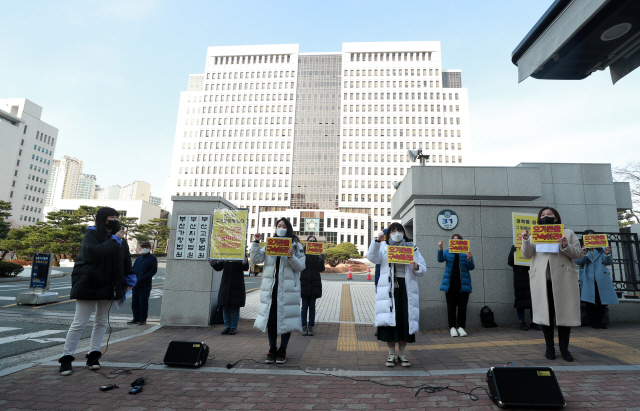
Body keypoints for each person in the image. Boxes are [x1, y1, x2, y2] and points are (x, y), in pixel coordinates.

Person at [59, 207, 136, 376]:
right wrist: (115, 239)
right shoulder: (92, 234)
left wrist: (129, 280)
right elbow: (93, 253)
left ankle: (93, 355)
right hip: (89, 283)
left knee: (101, 322)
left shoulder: (121, 240)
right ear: (103, 219)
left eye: (117, 217)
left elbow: (126, 261)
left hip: (110, 284)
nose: (115, 220)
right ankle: (66, 358)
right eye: (112, 217)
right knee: (79, 322)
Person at [521, 207, 582, 362]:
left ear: (556, 218)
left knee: (564, 315)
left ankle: (564, 348)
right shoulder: (535, 234)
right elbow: (527, 255)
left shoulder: (567, 233)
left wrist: (565, 245)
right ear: (539, 219)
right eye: (543, 215)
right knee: (546, 315)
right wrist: (526, 240)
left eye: (549, 214)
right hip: (542, 280)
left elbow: (579, 254)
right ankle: (549, 347)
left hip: (563, 280)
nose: (545, 216)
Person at [367, 222, 426, 368]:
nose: (396, 233)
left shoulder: (412, 247)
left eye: (399, 230)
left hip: (406, 289)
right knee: (389, 321)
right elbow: (372, 257)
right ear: (388, 234)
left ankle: (402, 354)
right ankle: (391, 354)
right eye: (393, 231)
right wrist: (376, 240)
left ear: (403, 232)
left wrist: (416, 267)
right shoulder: (383, 246)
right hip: (389, 289)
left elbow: (423, 268)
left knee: (404, 321)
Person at [251, 217, 305, 364]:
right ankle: (272, 349)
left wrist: (291, 256)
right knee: (272, 320)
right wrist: (256, 242)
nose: (281, 228)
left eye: (283, 226)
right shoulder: (270, 243)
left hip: (287, 290)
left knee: (286, 320)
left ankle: (283, 350)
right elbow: (255, 259)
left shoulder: (296, 245)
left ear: (288, 228)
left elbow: (301, 266)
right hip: (271, 289)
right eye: (278, 225)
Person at [576, 230, 618, 329]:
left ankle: (600, 321)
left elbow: (608, 262)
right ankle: (593, 322)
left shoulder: (602, 248)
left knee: (601, 301)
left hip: (601, 278)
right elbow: (578, 262)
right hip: (588, 278)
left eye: (593, 237)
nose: (591, 239)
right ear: (584, 239)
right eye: (588, 237)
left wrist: (607, 254)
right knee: (590, 302)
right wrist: (584, 254)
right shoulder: (581, 249)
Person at [438, 234, 474, 338]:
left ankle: (461, 327)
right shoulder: (447, 252)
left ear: (462, 242)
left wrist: (469, 258)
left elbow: (471, 267)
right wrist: (440, 248)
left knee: (462, 307)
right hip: (450, 285)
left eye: (458, 240)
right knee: (451, 307)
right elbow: (440, 260)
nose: (456, 242)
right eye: (453, 240)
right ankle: (452, 328)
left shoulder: (466, 252)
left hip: (463, 285)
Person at [210, 256, 249, 335]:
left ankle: (233, 327)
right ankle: (227, 326)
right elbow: (219, 267)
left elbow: (245, 267)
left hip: (237, 284)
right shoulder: (226, 253)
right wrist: (213, 263)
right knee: (225, 306)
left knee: (235, 307)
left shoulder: (240, 252)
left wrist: (245, 262)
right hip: (226, 283)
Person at [507, 245, 541, 331]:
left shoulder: (532, 247)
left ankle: (534, 321)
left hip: (533, 277)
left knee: (534, 302)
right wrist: (512, 252)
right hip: (520, 279)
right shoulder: (516, 247)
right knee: (520, 302)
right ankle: (521, 321)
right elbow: (510, 262)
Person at [128, 241, 158, 326]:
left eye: (147, 247)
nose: (145, 248)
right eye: (143, 247)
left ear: (150, 248)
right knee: (135, 302)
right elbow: (133, 269)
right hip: (136, 284)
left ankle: (143, 319)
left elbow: (153, 270)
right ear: (141, 248)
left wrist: (144, 277)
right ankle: (135, 318)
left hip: (145, 285)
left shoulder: (152, 258)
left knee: (143, 302)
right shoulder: (139, 258)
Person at [300, 235, 324, 336]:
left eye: (314, 241)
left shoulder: (318, 253)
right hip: (304, 282)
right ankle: (303, 326)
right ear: (307, 242)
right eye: (310, 241)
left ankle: (311, 327)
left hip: (314, 283)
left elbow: (321, 269)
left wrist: (321, 259)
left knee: (312, 306)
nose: (312, 243)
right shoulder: (302, 253)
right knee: (304, 306)